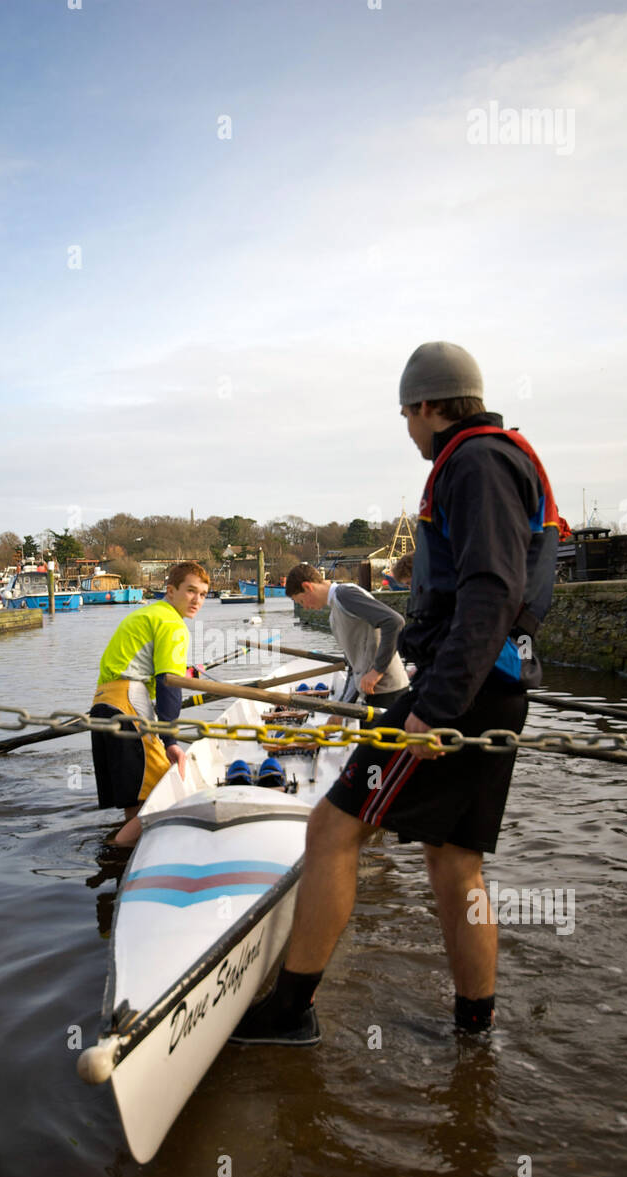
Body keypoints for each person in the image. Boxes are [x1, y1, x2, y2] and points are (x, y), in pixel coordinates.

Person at [231, 341, 561, 1046]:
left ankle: (290, 1015)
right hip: (497, 686)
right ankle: (475, 1030)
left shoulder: (472, 461)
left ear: (426, 405)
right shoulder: (498, 456)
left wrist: (433, 710)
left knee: (332, 829)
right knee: (453, 863)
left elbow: (490, 591)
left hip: (459, 693)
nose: (408, 429)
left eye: (407, 414)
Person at [90, 561, 209, 846]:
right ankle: (115, 852)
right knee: (164, 792)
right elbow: (169, 684)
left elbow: (146, 669)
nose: (197, 600)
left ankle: (122, 858)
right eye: (190, 591)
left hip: (102, 704)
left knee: (137, 797)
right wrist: (169, 740)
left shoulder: (147, 613)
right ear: (171, 590)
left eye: (203, 594)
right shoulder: (173, 624)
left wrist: (183, 673)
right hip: (129, 702)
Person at [285, 563, 409, 711]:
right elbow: (353, 667)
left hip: (390, 693)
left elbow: (394, 622)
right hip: (371, 695)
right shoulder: (334, 617)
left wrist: (377, 672)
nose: (305, 607)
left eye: (301, 601)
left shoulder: (345, 595)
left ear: (307, 587)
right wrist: (342, 710)